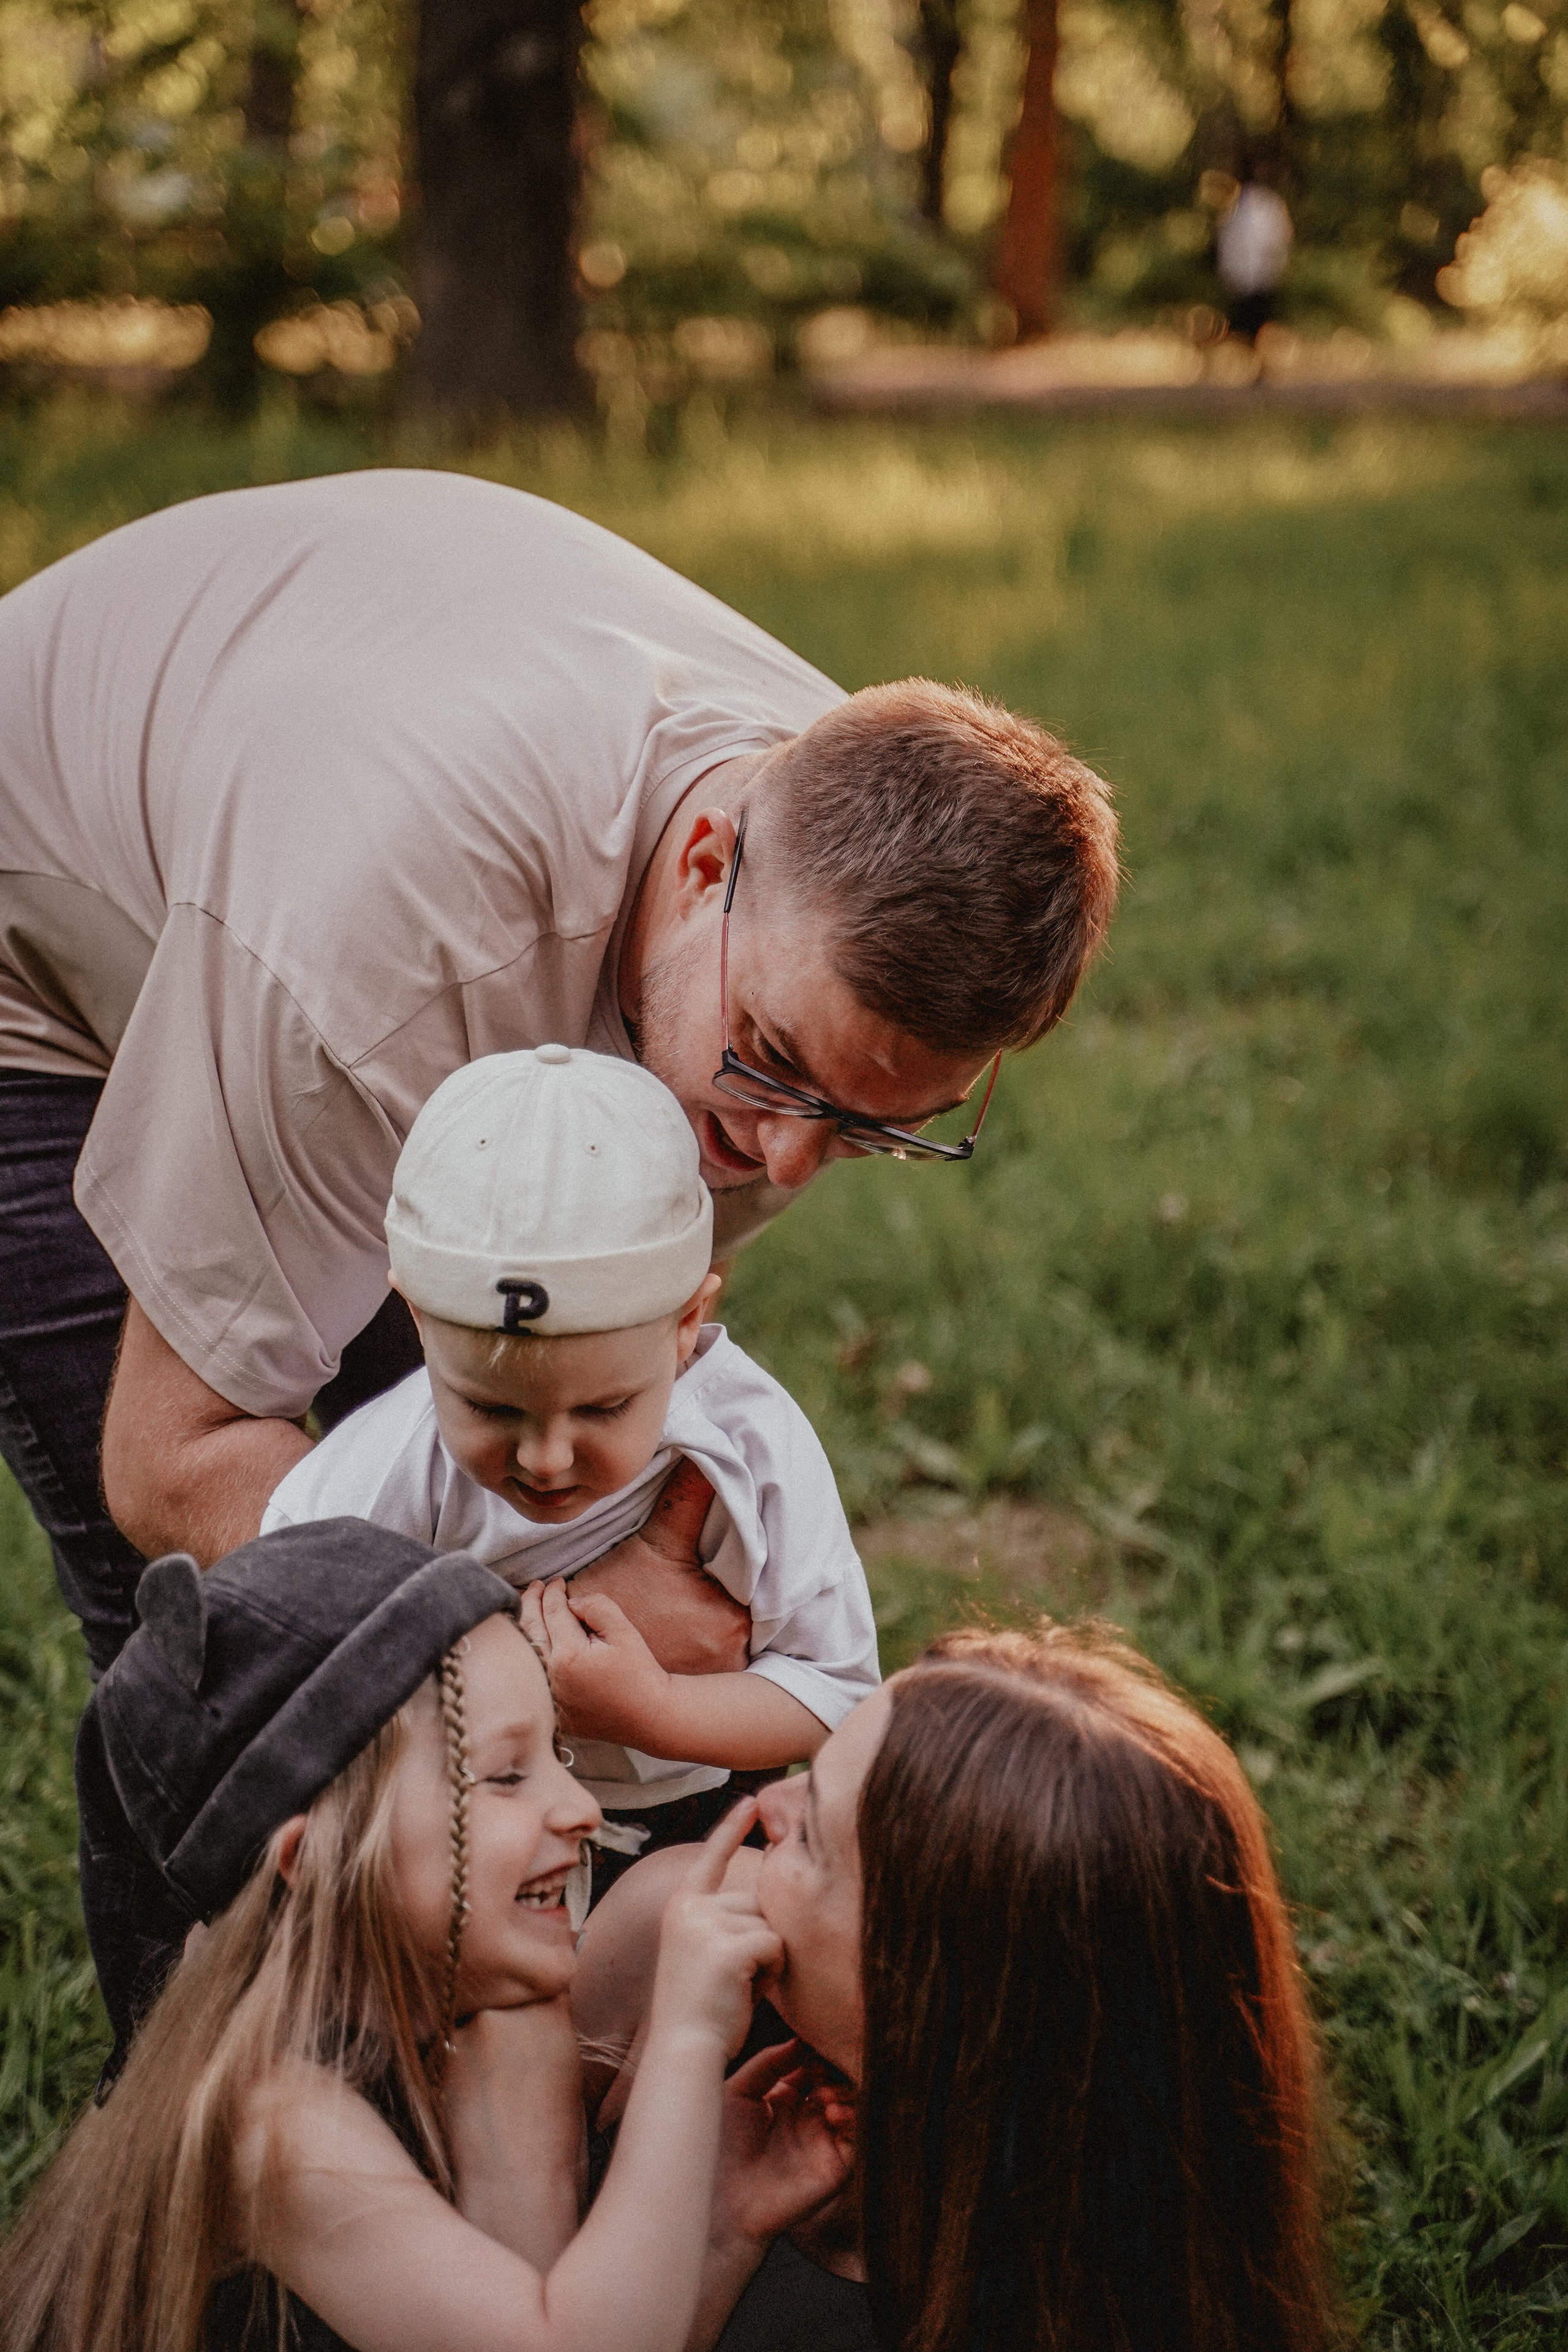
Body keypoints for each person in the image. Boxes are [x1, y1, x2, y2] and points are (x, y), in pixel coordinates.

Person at [0, 469, 1118, 1691]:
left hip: (301, 832)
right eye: (776, 1064)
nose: (784, 1161)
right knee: (224, 1655)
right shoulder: (384, 963)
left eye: (869, 1128)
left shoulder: (842, 854)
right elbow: (175, 1463)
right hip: (47, 942)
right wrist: (546, 1620)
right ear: (702, 865)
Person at [0, 1518, 849, 2351]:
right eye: (509, 1774)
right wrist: (684, 2044)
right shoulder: (275, 2126)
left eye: (559, 1753)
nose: (581, 1807)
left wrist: (727, 2228)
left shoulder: (488, 2014)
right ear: (317, 1862)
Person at [576, 1619, 1337, 2352]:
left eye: (809, 1837)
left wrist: (713, 2237)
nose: (762, 1807)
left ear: (920, 1992)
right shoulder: (673, 1940)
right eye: (813, 1771)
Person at [261, 1044, 879, 1872]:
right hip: (465, 1840)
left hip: (692, 1814)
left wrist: (653, 1712)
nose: (546, 1459)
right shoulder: (375, 1476)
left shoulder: (751, 1447)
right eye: (489, 1406)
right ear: (413, 1316)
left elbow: (835, 1690)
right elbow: (287, 1655)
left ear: (688, 1321)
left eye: (604, 1408)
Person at [1216, 165, 1294, 345]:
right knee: (1246, 316)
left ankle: (1255, 350)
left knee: (1258, 316)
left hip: (1260, 273)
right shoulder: (1234, 209)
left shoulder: (1267, 207)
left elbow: (1279, 238)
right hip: (1247, 274)